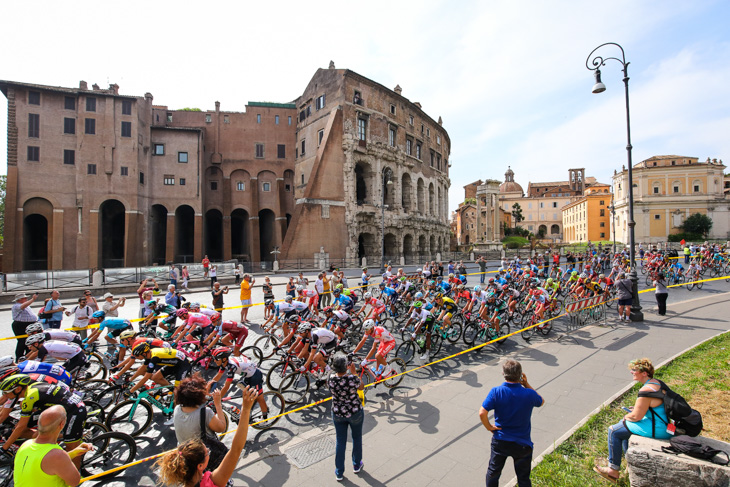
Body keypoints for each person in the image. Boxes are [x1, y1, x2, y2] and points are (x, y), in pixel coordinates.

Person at [155, 386, 258, 487]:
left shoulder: (177, 409)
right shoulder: (211, 482)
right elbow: (236, 449)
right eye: (207, 452)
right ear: (200, 466)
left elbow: (236, 450)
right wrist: (245, 409)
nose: (208, 450)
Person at [594, 358, 672, 482]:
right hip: (665, 424)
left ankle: (613, 470)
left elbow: (636, 417)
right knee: (625, 430)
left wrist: (627, 416)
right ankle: (631, 464)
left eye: (634, 370)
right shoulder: (657, 383)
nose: (631, 372)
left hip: (657, 427)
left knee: (614, 430)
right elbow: (654, 406)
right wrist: (637, 409)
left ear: (644, 373)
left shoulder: (645, 391)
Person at [479, 359, 544, 487]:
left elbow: (482, 413)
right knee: (523, 478)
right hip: (522, 443)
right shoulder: (529, 394)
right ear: (520, 375)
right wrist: (526, 384)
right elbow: (541, 401)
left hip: (500, 441)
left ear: (503, 374)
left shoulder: (496, 391)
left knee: (493, 472)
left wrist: (489, 427)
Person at [13, 405, 92, 487]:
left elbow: (45, 463)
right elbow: (74, 481)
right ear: (62, 424)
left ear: (38, 423)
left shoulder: (26, 444)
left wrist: (73, 453)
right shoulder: (57, 455)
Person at [328, 352, 365, 481]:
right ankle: (356, 464)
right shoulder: (351, 379)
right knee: (357, 438)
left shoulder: (331, 379)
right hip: (354, 411)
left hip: (338, 412)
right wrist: (354, 372)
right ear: (346, 366)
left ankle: (339, 471)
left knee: (340, 441)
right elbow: (361, 386)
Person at [172, 374, 227, 444]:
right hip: (203, 452)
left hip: (184, 451)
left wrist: (204, 393)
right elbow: (221, 428)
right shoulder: (206, 413)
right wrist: (218, 404)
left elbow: (194, 403)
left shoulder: (177, 409)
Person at [11, 293, 39, 361]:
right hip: (21, 325)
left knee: (29, 342)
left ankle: (28, 357)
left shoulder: (26, 305)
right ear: (20, 299)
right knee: (22, 342)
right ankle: (19, 357)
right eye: (25, 298)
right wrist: (33, 299)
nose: (26, 299)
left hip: (29, 325)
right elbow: (22, 306)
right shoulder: (16, 306)